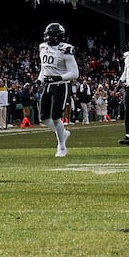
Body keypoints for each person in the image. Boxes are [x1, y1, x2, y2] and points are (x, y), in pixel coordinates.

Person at [37, 22, 80, 157]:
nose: (49, 38)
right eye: (48, 35)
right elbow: (44, 68)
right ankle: (63, 133)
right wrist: (39, 79)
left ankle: (62, 146)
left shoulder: (65, 50)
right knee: (43, 118)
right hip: (48, 84)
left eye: (51, 36)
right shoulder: (43, 47)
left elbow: (75, 73)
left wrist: (59, 78)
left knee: (56, 117)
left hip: (61, 85)